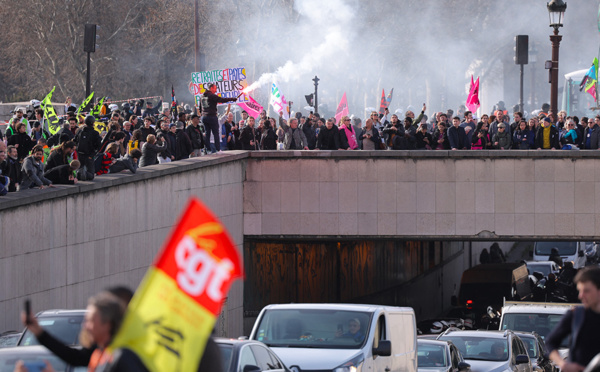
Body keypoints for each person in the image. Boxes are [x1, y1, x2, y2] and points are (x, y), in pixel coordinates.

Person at [546, 266, 600, 371]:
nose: (581, 296)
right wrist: (563, 364)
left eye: (586, 291)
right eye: (580, 290)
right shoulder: (576, 316)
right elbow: (550, 342)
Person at [201, 83, 238, 152]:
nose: (216, 90)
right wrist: (232, 99)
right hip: (211, 116)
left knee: (207, 133)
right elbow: (221, 99)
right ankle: (218, 149)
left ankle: (208, 149)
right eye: (215, 89)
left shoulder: (202, 96)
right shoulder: (211, 95)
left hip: (204, 117)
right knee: (216, 133)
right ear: (211, 88)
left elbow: (201, 108)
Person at [74, 115, 102, 181]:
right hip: (89, 155)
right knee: (91, 174)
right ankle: (84, 174)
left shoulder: (80, 132)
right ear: (93, 123)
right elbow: (99, 145)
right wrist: (94, 153)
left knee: (80, 167)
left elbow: (74, 141)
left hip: (80, 154)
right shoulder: (95, 133)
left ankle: (79, 174)